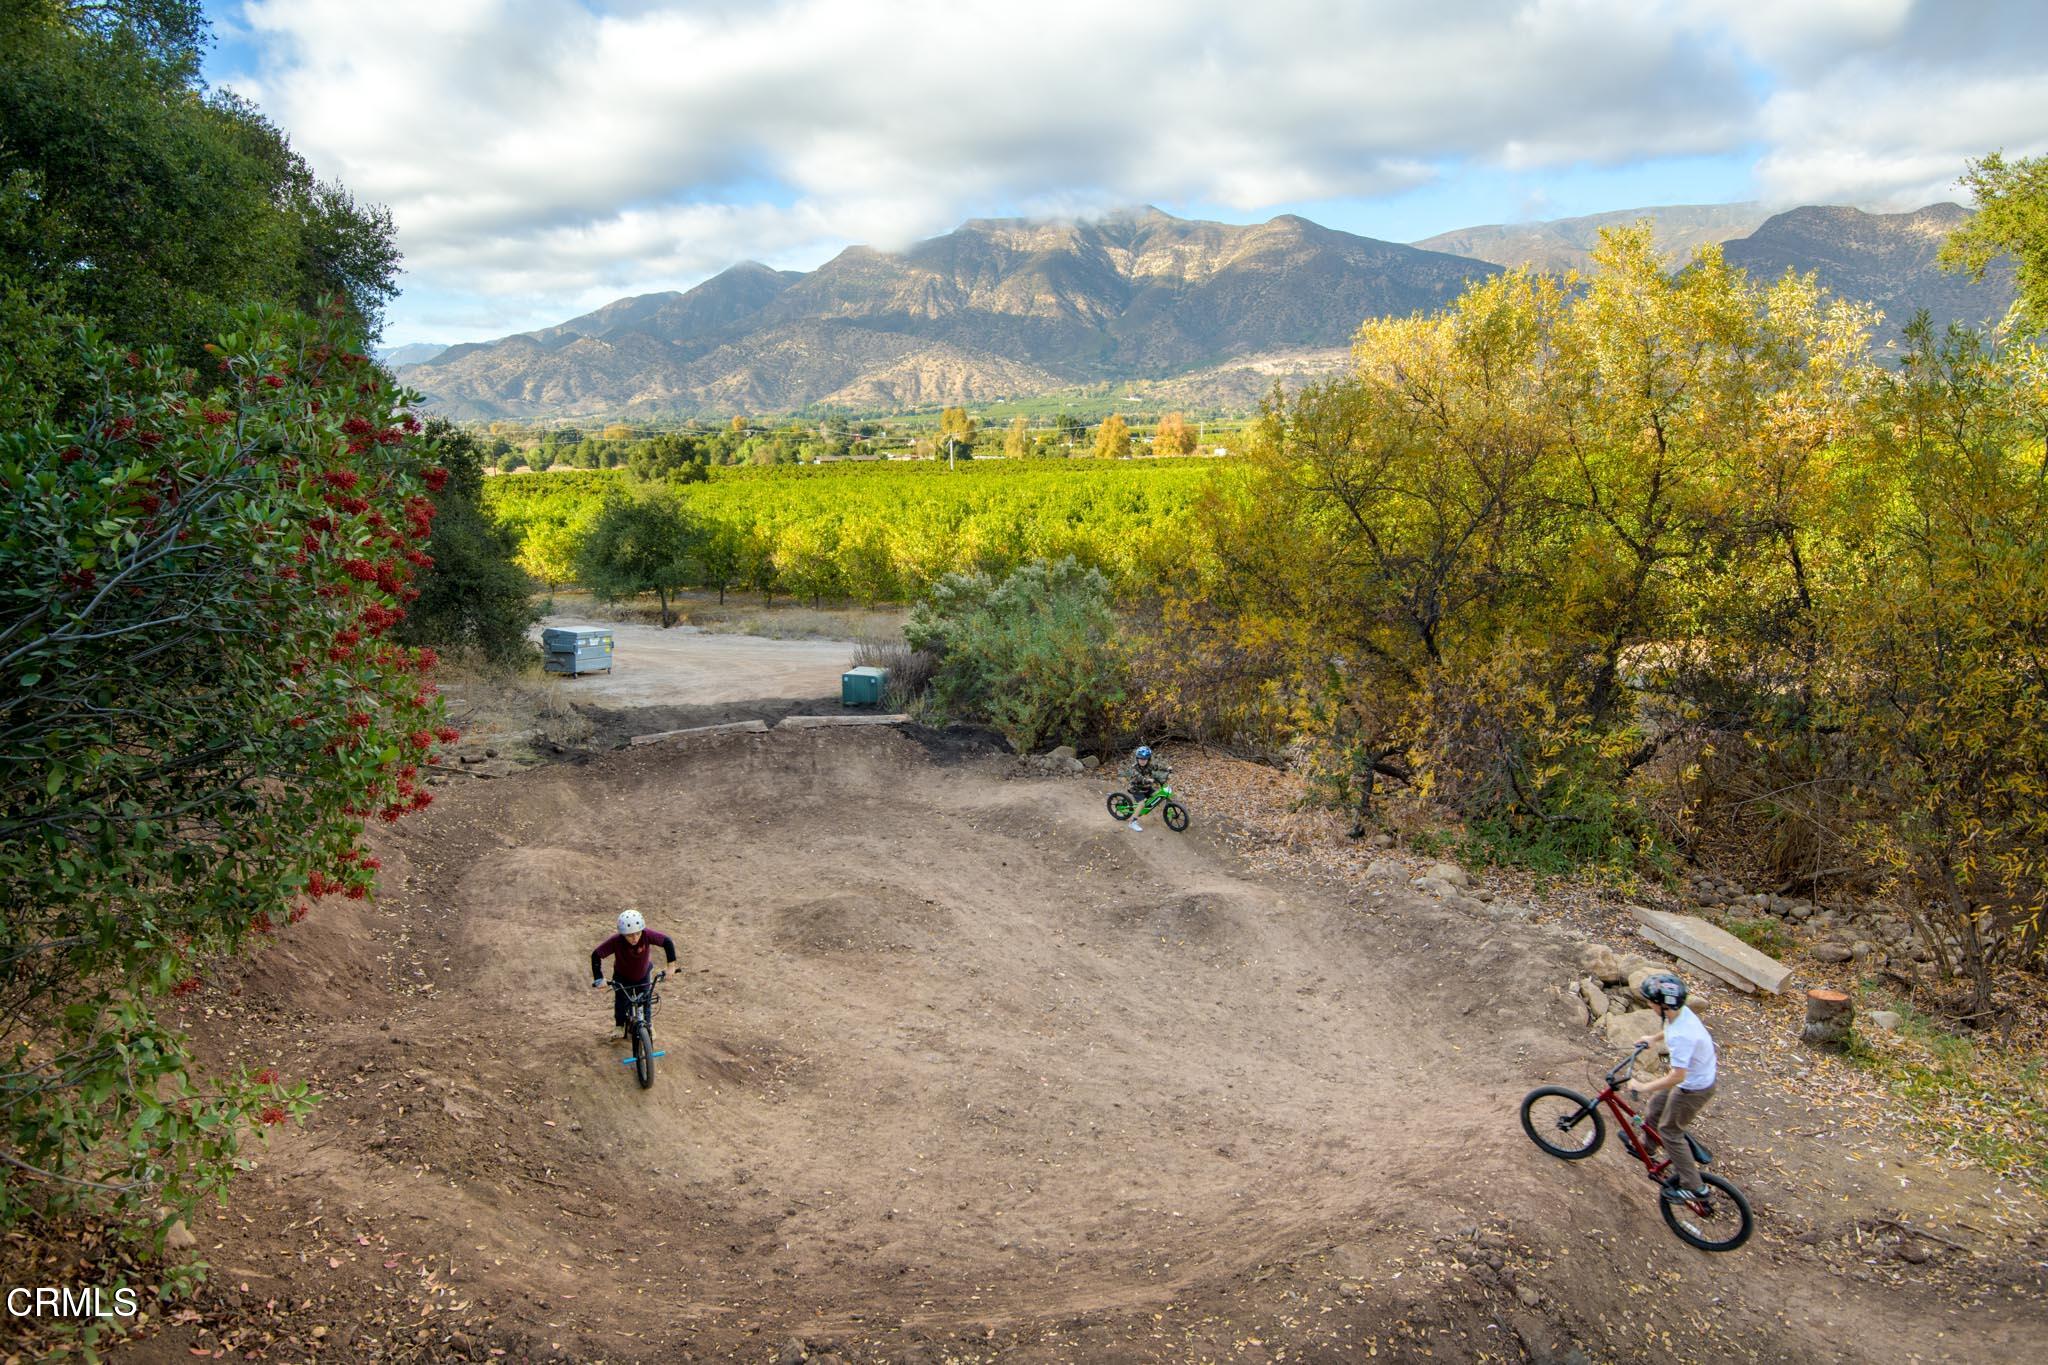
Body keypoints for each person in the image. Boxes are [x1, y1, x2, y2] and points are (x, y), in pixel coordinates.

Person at [1627, 972, 1718, 1200]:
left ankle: (1694, 1186)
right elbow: (1669, 1027)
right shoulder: (1679, 1013)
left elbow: (1677, 1076)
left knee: (1670, 1131)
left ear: (1662, 1005)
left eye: (1650, 1001)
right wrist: (1653, 1038)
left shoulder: (1681, 1036)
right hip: (1693, 1078)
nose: (1648, 1004)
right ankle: (1646, 1147)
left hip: (1694, 1088)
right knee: (1656, 1106)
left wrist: (1642, 1086)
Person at [589, 909, 677, 1041]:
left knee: (645, 1000)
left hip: (643, 974)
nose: (635, 938)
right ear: (623, 934)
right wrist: (599, 978)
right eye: (630, 935)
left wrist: (671, 967)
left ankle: (648, 1024)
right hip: (622, 976)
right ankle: (619, 1025)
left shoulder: (647, 935)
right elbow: (596, 955)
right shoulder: (616, 941)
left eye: (637, 933)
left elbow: (667, 942)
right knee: (621, 1001)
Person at [1121, 745, 1171, 831]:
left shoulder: (1149, 765)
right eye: (1140, 759)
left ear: (1148, 759)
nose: (1143, 761)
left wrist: (1167, 769)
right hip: (1136, 788)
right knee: (1142, 803)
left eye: (1145, 759)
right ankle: (1132, 822)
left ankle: (1146, 808)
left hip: (1146, 787)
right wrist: (1147, 780)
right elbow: (1139, 777)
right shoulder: (1134, 768)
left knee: (1157, 794)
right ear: (1137, 758)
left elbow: (1158, 767)